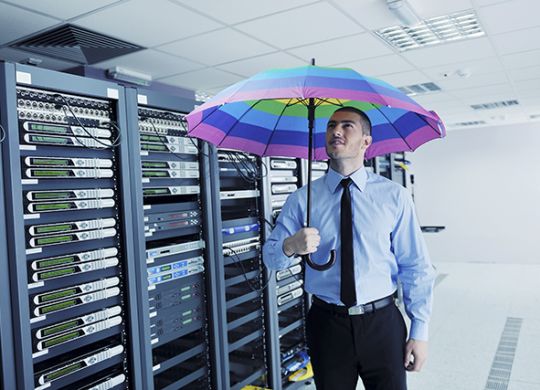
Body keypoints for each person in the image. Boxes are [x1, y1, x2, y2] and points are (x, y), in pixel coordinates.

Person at [263, 106, 435, 390]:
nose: (336, 132)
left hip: (382, 322)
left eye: (346, 126)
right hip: (326, 325)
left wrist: (420, 331)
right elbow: (271, 259)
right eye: (331, 126)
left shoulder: (394, 197)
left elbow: (416, 266)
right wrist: (291, 245)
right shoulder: (302, 199)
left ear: (366, 141)